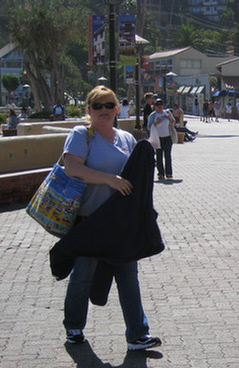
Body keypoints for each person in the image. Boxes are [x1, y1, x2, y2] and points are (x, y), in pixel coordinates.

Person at [61, 85, 161, 351]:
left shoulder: (126, 139)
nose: (103, 110)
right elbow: (71, 168)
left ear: (117, 109)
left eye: (108, 105)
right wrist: (110, 180)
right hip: (91, 220)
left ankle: (138, 334)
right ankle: (74, 327)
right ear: (89, 111)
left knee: (128, 277)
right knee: (82, 275)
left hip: (120, 223)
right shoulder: (82, 135)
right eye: (97, 106)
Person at [148, 98, 175, 180]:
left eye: (161, 104)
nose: (159, 106)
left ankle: (169, 173)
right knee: (159, 156)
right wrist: (156, 122)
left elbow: (173, 122)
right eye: (157, 105)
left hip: (167, 137)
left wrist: (169, 117)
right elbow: (149, 127)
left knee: (167, 156)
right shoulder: (153, 115)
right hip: (157, 138)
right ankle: (161, 173)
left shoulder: (167, 113)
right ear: (155, 106)